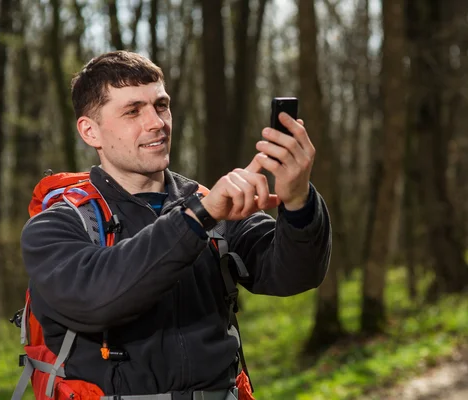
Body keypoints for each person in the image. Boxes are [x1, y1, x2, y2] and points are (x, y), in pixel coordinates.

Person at [20, 50, 331, 399]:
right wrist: (197, 217)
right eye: (133, 111)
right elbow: (98, 297)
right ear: (90, 132)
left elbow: (295, 274)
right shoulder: (56, 224)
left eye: (161, 105)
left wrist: (298, 199)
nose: (157, 122)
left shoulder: (212, 204)